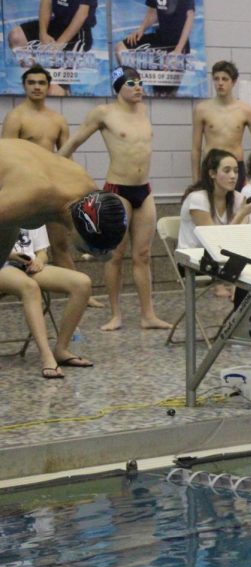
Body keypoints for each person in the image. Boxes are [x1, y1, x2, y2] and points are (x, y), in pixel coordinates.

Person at [58, 67, 171, 332]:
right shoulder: (104, 114)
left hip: (144, 191)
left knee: (142, 254)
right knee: (116, 255)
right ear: (118, 87)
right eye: (131, 83)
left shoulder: (143, 112)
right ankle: (116, 314)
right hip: (118, 191)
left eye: (140, 83)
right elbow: (74, 142)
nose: (138, 87)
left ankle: (148, 315)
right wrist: (50, 165)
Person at [1, 65, 105, 308]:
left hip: (55, 192)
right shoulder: (17, 117)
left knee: (60, 244)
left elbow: (64, 157)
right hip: (23, 193)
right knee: (18, 243)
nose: (37, 86)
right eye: (31, 82)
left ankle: (80, 294)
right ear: (25, 86)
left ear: (49, 87)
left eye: (41, 82)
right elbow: (8, 155)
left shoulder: (57, 119)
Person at [0, 139, 128, 274]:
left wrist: (103, 251)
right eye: (93, 248)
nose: (94, 252)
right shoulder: (31, 198)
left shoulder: (88, 190)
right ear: (80, 230)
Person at [0, 226, 93, 378]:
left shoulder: (33, 213)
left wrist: (39, 261)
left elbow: (43, 252)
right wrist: (11, 255)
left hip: (28, 264)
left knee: (82, 283)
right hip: (3, 264)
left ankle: (61, 349)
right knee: (30, 287)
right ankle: (46, 356)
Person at [191, 61, 251, 188]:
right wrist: (196, 180)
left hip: (235, 167)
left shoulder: (246, 111)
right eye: (216, 79)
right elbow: (196, 149)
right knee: (210, 206)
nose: (220, 83)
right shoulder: (201, 109)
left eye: (225, 79)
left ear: (233, 82)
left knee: (236, 206)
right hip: (211, 166)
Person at [177, 149, 251, 250]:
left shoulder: (239, 198)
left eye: (236, 171)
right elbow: (214, 242)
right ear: (212, 174)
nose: (233, 176)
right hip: (194, 258)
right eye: (227, 171)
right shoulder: (197, 199)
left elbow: (239, 238)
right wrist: (241, 214)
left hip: (224, 256)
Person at [7, 0, 98, 53]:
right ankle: (33, 75)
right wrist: (43, 34)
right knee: (16, 37)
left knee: (54, 56)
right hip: (57, 24)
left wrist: (59, 44)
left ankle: (58, 84)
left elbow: (81, 15)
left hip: (79, 32)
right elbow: (46, 3)